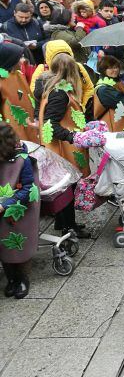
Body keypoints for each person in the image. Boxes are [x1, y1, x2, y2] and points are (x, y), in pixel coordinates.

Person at [0, 122, 40, 299]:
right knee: (2, 243)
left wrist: (5, 204)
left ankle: (22, 278)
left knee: (18, 242)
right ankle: (11, 279)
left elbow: (27, 188)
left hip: (19, 208)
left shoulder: (21, 160)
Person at [35, 52, 91, 177]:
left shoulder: (56, 89)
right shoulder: (59, 93)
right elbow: (50, 124)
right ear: (72, 72)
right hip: (64, 152)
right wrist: (73, 137)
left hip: (66, 149)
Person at [0, 42, 38, 142]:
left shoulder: (18, 74)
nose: (23, 60)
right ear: (10, 61)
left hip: (31, 126)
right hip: (13, 134)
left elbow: (29, 97)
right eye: (19, 58)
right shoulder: (1, 82)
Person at [94, 56, 124, 132]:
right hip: (116, 129)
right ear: (103, 70)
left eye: (116, 67)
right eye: (110, 68)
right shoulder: (103, 89)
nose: (114, 70)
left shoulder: (117, 83)